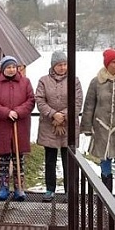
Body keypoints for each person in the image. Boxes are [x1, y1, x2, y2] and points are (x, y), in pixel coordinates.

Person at [79, 49, 115, 205]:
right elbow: (89, 105)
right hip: (101, 128)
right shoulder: (96, 82)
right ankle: (106, 192)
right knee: (105, 161)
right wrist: (86, 126)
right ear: (107, 63)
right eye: (113, 62)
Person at [35, 51, 84, 202]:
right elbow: (39, 100)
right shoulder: (43, 81)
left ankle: (69, 191)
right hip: (49, 126)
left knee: (68, 159)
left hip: (68, 126)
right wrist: (53, 114)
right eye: (59, 65)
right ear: (53, 66)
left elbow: (77, 102)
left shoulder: (74, 81)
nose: (62, 68)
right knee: (49, 159)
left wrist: (62, 116)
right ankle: (50, 189)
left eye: (64, 64)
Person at [0, 55, 35, 201]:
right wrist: (7, 112)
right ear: (3, 69)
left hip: (20, 125)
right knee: (3, 159)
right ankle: (3, 188)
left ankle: (19, 188)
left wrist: (18, 112)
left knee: (18, 159)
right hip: (3, 126)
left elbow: (31, 100)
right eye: (8, 67)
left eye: (13, 67)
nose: (11, 69)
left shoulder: (25, 82)